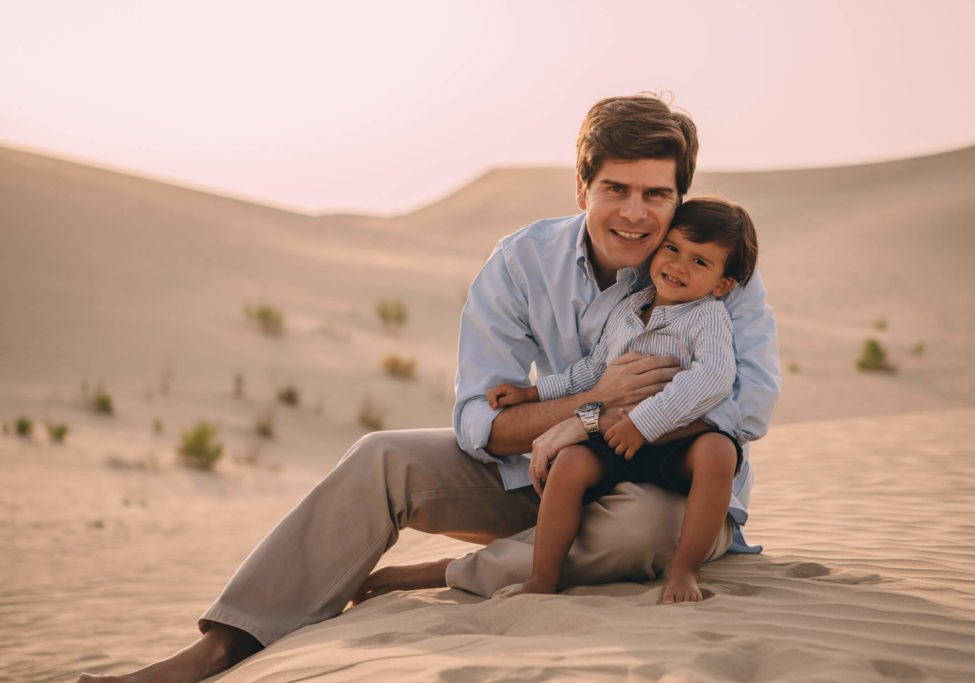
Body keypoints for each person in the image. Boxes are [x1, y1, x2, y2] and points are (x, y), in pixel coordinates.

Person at [79, 94, 779, 683]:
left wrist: (591, 420)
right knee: (383, 454)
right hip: (546, 473)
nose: (635, 214)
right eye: (616, 190)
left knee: (639, 525)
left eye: (656, 194)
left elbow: (743, 408)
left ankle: (448, 571)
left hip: (670, 494)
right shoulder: (522, 262)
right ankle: (228, 641)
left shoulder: (714, 272)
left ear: (679, 196)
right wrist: (575, 409)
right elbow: (482, 421)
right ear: (582, 189)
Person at [486, 197, 758, 603]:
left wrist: (643, 423)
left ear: (721, 285)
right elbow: (594, 370)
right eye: (673, 248)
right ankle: (543, 577)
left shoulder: (708, 317)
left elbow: (713, 378)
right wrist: (533, 391)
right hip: (617, 435)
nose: (679, 265)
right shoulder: (628, 308)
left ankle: (685, 571)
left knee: (719, 453)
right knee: (570, 464)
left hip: (674, 440)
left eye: (700, 262)